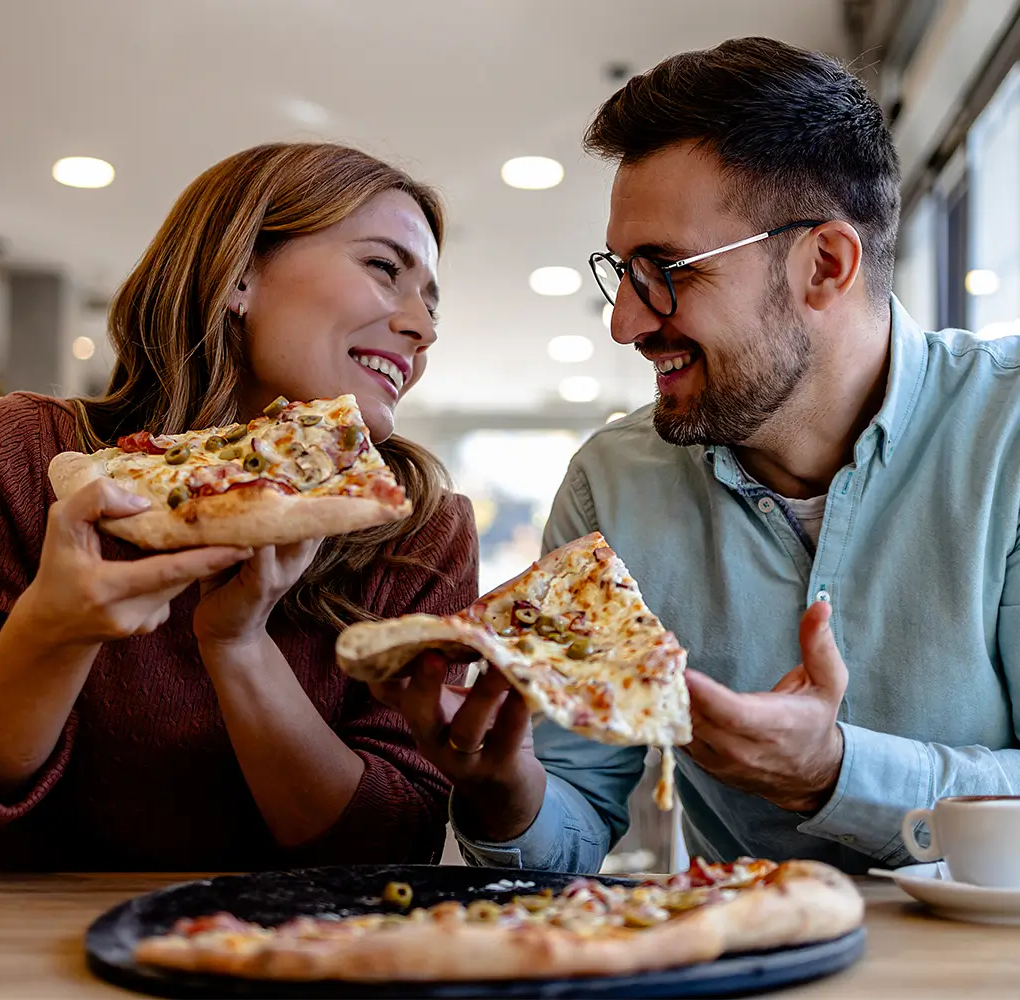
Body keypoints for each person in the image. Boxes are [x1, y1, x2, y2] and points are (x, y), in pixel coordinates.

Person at [377, 37, 1020, 876]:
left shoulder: (1006, 430)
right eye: (622, 271)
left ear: (825, 264)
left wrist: (836, 775)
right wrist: (505, 787)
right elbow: (575, 818)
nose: (626, 324)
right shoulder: (610, 486)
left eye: (668, 270)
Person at [0, 142, 479, 872]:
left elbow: (393, 846)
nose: (423, 327)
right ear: (237, 275)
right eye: (384, 268)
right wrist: (52, 634)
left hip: (307, 959)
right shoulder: (23, 454)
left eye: (432, 301)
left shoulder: (422, 528)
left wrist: (237, 644)